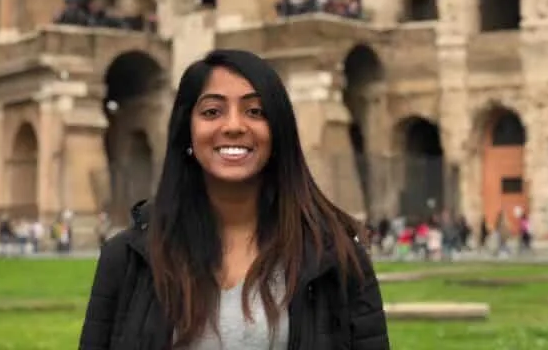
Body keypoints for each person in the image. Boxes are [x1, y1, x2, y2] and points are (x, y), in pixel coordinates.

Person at [78, 49, 390, 350]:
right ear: (187, 131)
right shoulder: (126, 258)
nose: (234, 127)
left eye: (255, 112)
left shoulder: (337, 258)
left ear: (278, 131)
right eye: (212, 112)